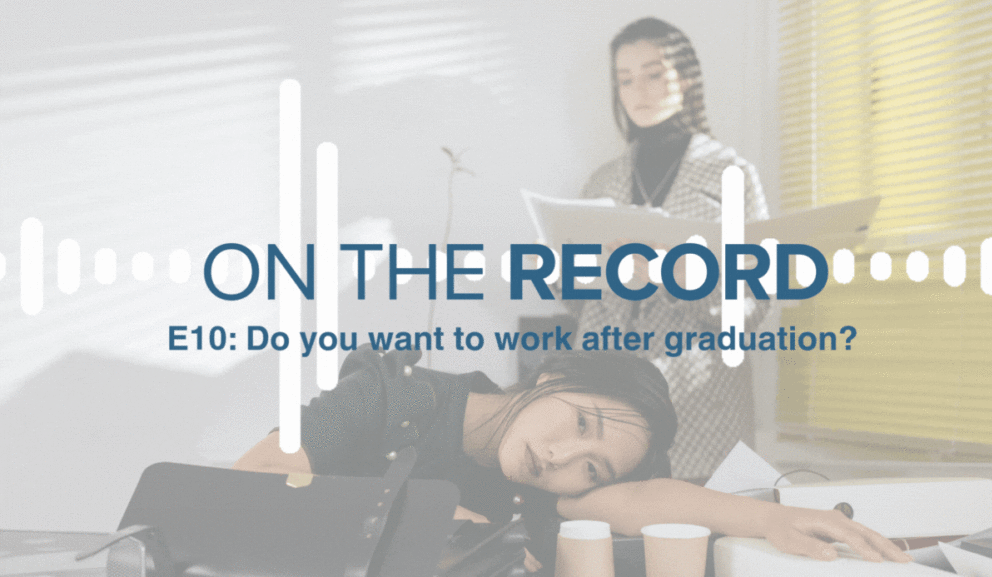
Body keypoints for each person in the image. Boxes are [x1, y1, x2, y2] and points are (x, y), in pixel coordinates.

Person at [235, 347, 911, 571]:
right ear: (553, 378)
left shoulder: (540, 489)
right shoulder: (385, 393)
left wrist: (769, 522)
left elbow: (646, 499)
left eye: (591, 468)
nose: (560, 457)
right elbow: (253, 481)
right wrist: (431, 523)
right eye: (581, 423)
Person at [573, 16, 771, 480]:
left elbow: (755, 304)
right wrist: (591, 276)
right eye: (625, 79)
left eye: (654, 74)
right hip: (608, 399)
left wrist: (684, 279)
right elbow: (579, 299)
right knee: (610, 538)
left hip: (700, 406)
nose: (638, 90)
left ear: (686, 77)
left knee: (701, 542)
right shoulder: (601, 183)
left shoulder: (731, 175)